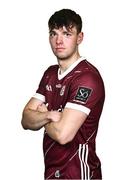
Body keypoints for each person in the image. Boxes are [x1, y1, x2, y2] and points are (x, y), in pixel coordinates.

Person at [21, 9, 105, 180]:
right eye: (53, 33)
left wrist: (41, 116)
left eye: (67, 34)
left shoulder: (87, 78)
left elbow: (63, 135)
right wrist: (50, 115)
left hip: (79, 173)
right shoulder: (50, 74)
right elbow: (25, 119)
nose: (58, 41)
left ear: (79, 38)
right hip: (51, 173)